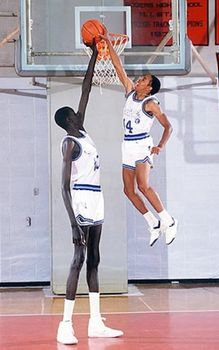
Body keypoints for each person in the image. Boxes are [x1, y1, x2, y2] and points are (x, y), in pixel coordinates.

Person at [54, 41, 123, 345]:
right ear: (68, 120)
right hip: (80, 198)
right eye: (75, 115)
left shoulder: (82, 131)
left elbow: (86, 89)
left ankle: (95, 322)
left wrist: (96, 54)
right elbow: (63, 185)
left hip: (97, 197)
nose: (80, 114)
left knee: (94, 257)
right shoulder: (70, 142)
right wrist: (72, 224)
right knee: (78, 258)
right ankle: (65, 325)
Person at [100, 30, 178, 247]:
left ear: (149, 87)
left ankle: (168, 220)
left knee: (144, 186)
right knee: (128, 190)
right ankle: (152, 222)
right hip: (128, 145)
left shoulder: (151, 103)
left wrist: (160, 146)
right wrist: (107, 42)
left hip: (143, 144)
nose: (139, 79)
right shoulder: (129, 92)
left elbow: (168, 127)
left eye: (143, 79)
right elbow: (117, 67)